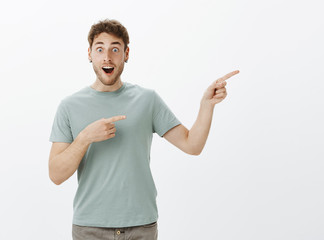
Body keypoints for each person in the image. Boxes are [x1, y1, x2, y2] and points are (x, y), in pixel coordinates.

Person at [48, 19, 239, 240]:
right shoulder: (69, 106)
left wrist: (206, 105)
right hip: (89, 228)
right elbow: (56, 175)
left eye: (115, 49)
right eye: (99, 49)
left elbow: (192, 145)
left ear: (126, 54)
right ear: (90, 54)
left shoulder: (147, 100)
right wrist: (84, 138)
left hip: (141, 226)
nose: (107, 57)